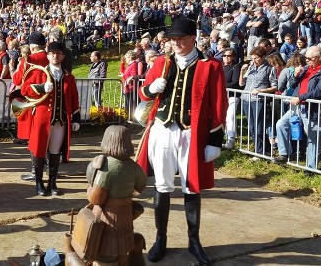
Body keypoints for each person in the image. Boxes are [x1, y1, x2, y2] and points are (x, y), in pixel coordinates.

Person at [137, 18, 228, 264]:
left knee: (191, 186)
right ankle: (161, 239)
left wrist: (215, 140)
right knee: (162, 185)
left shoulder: (211, 66)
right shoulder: (161, 63)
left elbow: (219, 105)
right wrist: (152, 88)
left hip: (191, 133)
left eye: (180, 38)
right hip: (162, 129)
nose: (175, 42)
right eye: (172, 38)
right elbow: (143, 93)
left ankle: (194, 241)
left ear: (192, 38)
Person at [21, 41, 80, 196]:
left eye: (58, 53)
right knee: (39, 150)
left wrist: (76, 119)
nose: (55, 56)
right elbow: (24, 89)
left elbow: (74, 98)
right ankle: (39, 183)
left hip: (60, 120)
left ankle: (52, 183)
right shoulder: (39, 73)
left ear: (63, 56)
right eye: (52, 53)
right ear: (47, 55)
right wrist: (41, 88)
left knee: (55, 151)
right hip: (42, 120)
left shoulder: (69, 77)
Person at [83, 125, 147, 265]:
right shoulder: (134, 166)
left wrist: (90, 188)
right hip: (125, 215)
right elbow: (141, 186)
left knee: (104, 252)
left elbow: (97, 198)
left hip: (107, 218)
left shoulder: (107, 167)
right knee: (122, 250)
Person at [274, 46, 321, 167]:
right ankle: (284, 154)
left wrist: (300, 98)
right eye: (306, 58)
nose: (307, 60)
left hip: (313, 109)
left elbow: (319, 91)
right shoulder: (307, 68)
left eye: (309, 58)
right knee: (281, 124)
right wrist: (295, 76)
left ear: (319, 58)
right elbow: (294, 85)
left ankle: (311, 167)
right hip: (298, 106)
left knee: (313, 137)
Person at [12, 32, 49, 179]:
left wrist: (15, 67)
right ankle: (47, 166)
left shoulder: (28, 59)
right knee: (47, 137)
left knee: (34, 139)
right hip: (49, 103)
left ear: (32, 46)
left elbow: (16, 79)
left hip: (32, 101)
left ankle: (35, 170)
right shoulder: (51, 57)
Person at [239, 47, 278, 158]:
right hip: (246, 99)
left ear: (263, 57)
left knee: (259, 127)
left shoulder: (269, 69)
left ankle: (260, 152)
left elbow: (275, 86)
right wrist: (242, 72)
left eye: (256, 58)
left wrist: (261, 90)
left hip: (258, 100)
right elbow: (242, 84)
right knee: (251, 127)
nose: (254, 60)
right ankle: (264, 149)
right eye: (252, 58)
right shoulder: (251, 67)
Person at [222, 48, 242, 149]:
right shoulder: (221, 66)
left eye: (228, 55)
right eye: (224, 55)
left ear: (233, 57)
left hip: (233, 96)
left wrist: (221, 86)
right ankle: (225, 136)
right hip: (222, 96)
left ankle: (231, 139)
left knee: (230, 117)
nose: (226, 57)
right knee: (224, 117)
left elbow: (235, 82)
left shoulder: (236, 67)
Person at [120, 50, 139, 120]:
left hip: (131, 88)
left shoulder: (133, 65)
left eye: (126, 58)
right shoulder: (129, 65)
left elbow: (133, 75)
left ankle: (132, 118)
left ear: (130, 57)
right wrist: (122, 64)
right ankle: (129, 118)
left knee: (131, 105)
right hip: (127, 88)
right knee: (127, 104)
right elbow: (123, 72)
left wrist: (125, 77)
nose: (126, 59)